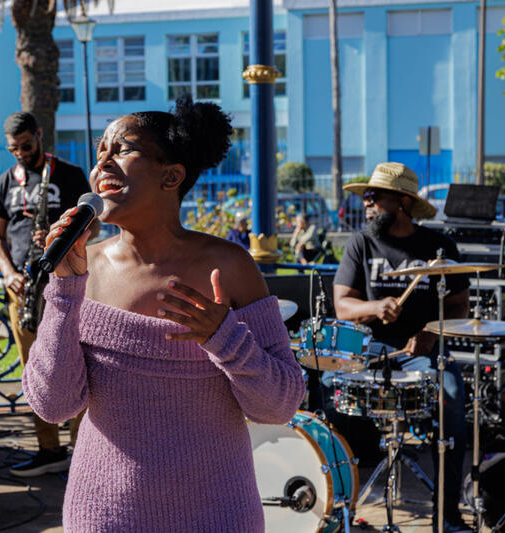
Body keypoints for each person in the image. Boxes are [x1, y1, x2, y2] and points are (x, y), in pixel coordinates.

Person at [23, 95, 305, 531]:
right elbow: (53, 405)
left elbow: (280, 406)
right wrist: (63, 290)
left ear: (171, 175)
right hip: (104, 516)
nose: (103, 163)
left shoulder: (230, 266)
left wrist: (225, 339)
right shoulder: (81, 269)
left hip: (216, 515)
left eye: (122, 149)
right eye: (100, 152)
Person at [332, 162, 471, 533]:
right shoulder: (361, 243)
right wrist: (375, 307)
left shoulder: (439, 247)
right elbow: (342, 305)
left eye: (374, 196)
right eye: (366, 196)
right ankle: (340, 508)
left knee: (453, 399)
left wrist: (431, 333)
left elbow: (459, 306)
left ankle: (448, 514)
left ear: (403, 202)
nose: (366, 203)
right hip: (371, 349)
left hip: (425, 351)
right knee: (330, 393)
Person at [0, 111, 94, 477]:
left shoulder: (70, 175)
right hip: (24, 290)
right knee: (34, 370)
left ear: (39, 135)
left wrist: (59, 236)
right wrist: (8, 273)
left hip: (68, 284)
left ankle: (83, 452)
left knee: (79, 366)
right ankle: (49, 450)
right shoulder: (5, 182)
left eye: (26, 145)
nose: (20, 153)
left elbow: (93, 228)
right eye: (13, 149)